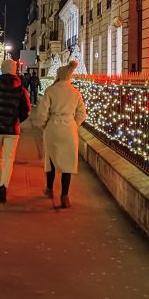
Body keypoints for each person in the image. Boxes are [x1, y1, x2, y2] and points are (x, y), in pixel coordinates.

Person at [36, 60, 86, 208]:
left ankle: (49, 189)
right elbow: (82, 113)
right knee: (68, 163)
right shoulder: (75, 92)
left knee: (51, 159)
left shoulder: (50, 90)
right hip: (69, 128)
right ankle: (65, 196)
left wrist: (44, 124)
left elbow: (42, 112)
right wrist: (74, 123)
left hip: (53, 127)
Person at [0, 57, 30, 203]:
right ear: (14, 70)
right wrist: (16, 120)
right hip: (12, 129)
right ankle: (4, 185)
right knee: (9, 159)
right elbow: (26, 110)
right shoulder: (20, 88)